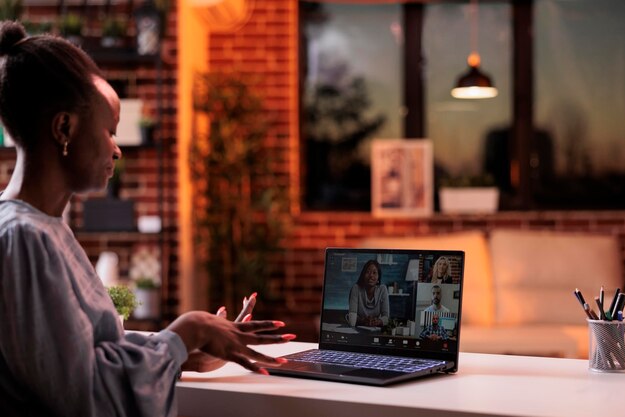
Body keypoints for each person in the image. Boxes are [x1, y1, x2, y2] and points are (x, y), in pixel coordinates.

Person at [0, 21, 293, 417]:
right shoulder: (24, 239)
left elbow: (91, 356)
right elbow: (86, 398)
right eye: (109, 131)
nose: (117, 151)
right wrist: (186, 331)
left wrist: (183, 351)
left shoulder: (44, 229)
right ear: (64, 127)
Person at [348, 259, 389, 327]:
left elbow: (386, 318)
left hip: (375, 330)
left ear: (378, 278)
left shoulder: (383, 289)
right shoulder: (356, 288)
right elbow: (352, 320)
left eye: (374, 273)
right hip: (357, 331)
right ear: (363, 275)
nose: (371, 276)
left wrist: (377, 322)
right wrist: (363, 320)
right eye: (368, 272)